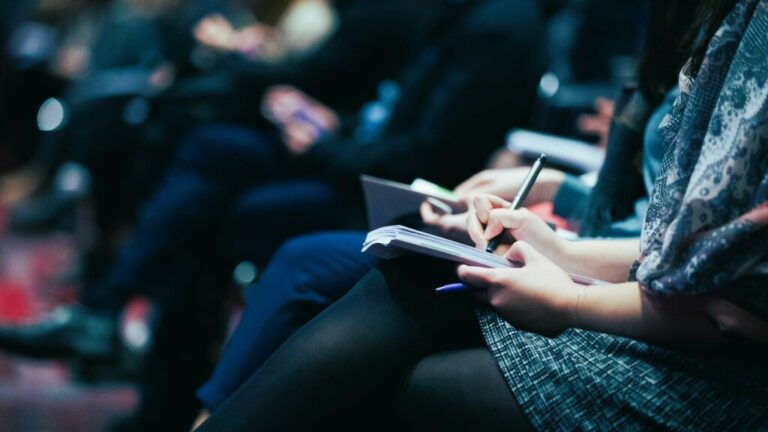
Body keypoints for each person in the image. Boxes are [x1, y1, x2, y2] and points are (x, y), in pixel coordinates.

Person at [198, 0, 768, 429]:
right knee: (396, 276)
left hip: (719, 375)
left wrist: (571, 292)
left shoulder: (501, 23)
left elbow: (731, 301)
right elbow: (688, 252)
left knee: (381, 357)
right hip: (658, 298)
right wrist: (562, 248)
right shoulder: (721, 20)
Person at [0, 0, 548, 429]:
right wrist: (328, 125)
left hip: (408, 199)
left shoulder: (489, 23)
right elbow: (386, 113)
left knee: (218, 216)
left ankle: (163, 386)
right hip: (366, 165)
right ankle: (143, 367)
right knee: (200, 155)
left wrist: (320, 140)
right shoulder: (453, 14)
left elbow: (420, 155)